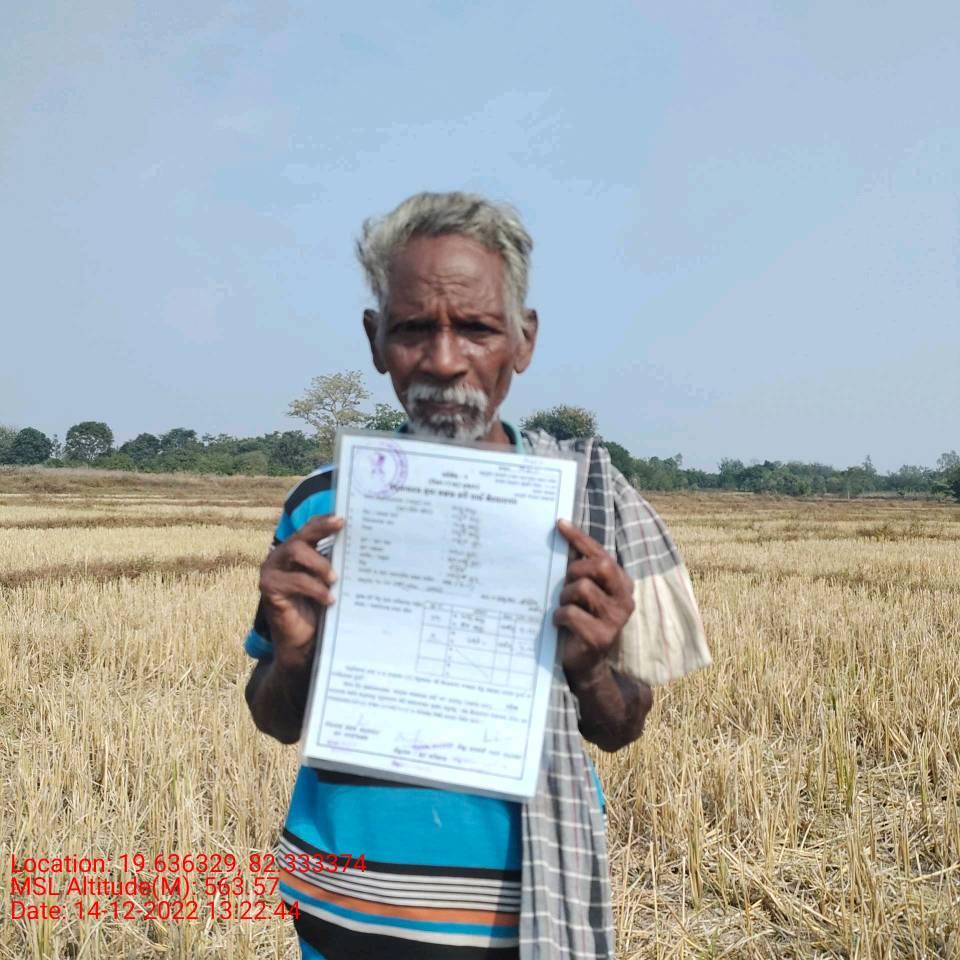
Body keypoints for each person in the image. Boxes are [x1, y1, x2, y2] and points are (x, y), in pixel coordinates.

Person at [243, 191, 710, 960]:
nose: (444, 360)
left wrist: (591, 668)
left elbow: (621, 728)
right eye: (413, 329)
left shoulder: (586, 505)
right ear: (375, 339)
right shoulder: (320, 507)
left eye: (477, 328)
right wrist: (294, 654)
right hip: (342, 913)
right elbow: (275, 719)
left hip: (523, 916)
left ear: (524, 340)